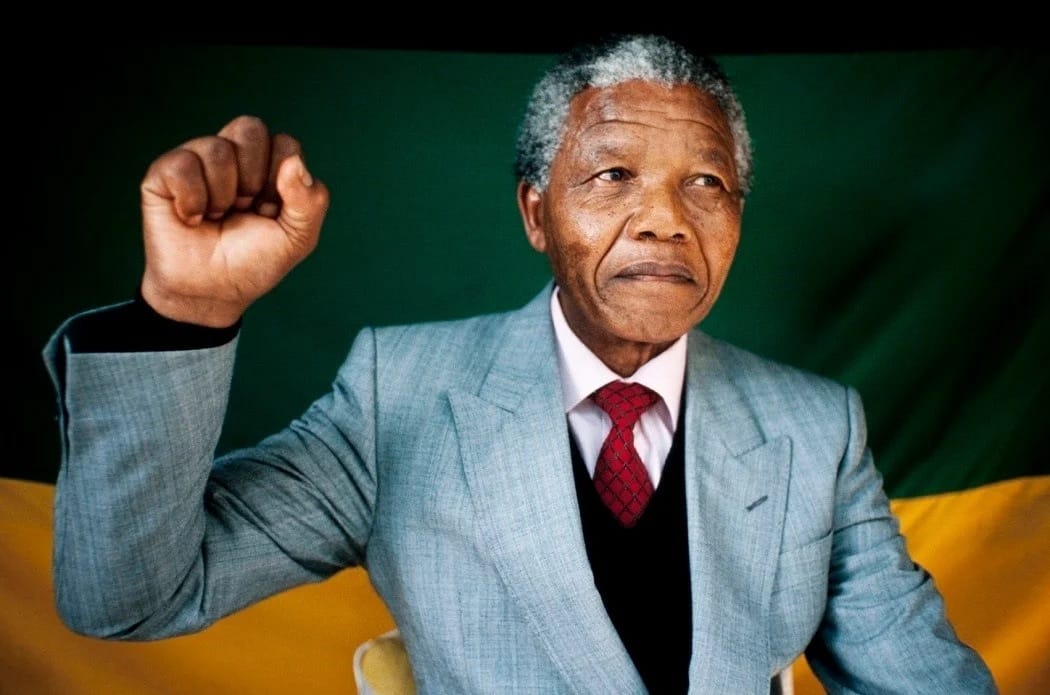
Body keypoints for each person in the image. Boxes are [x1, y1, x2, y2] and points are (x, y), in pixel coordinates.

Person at [43, 34, 997, 694]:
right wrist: (189, 314)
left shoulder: (815, 424)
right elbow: (128, 599)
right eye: (613, 174)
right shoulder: (397, 393)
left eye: (706, 182)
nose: (667, 218)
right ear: (537, 212)